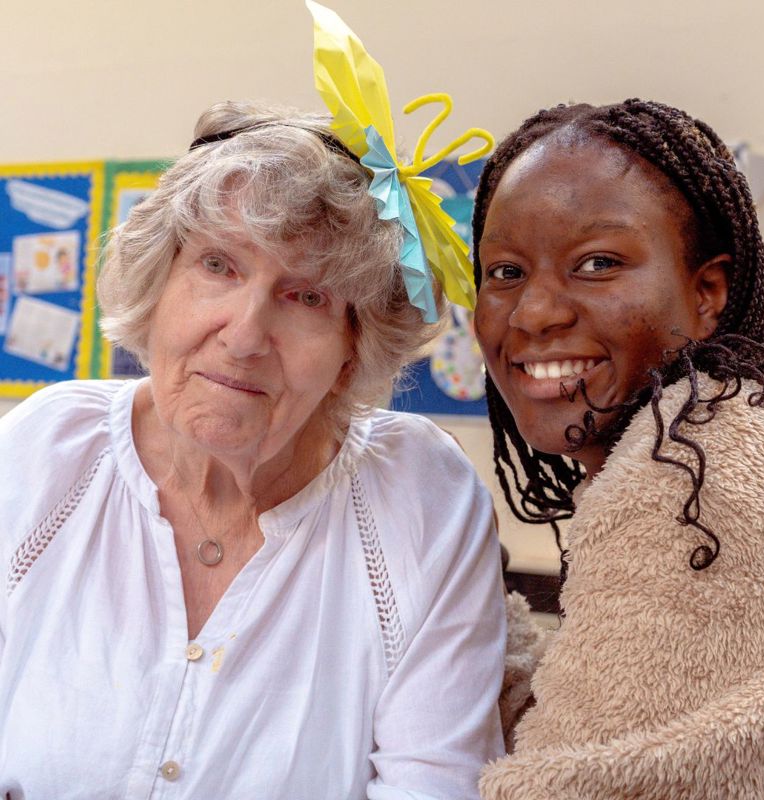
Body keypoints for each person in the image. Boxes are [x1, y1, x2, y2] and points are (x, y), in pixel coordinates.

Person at [0, 100, 506, 798]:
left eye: (307, 297)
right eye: (219, 265)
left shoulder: (419, 496)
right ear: (159, 281)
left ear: (353, 346)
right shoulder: (49, 448)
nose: (243, 337)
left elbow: (436, 782)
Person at [470, 99, 764, 798]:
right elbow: (607, 730)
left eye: (597, 262)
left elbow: (588, 785)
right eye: (504, 272)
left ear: (707, 293)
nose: (535, 312)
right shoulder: (755, 433)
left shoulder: (698, 473)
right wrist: (467, 617)